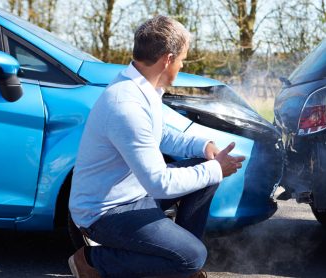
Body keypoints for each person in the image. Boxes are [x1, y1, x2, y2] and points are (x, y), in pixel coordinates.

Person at [68, 15, 245, 278]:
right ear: (168, 59)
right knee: (193, 257)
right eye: (183, 59)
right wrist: (217, 169)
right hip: (105, 212)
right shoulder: (125, 104)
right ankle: (92, 260)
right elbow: (159, 183)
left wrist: (203, 146)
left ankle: (179, 256)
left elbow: (160, 135)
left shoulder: (142, 89)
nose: (182, 65)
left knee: (204, 168)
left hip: (133, 194)